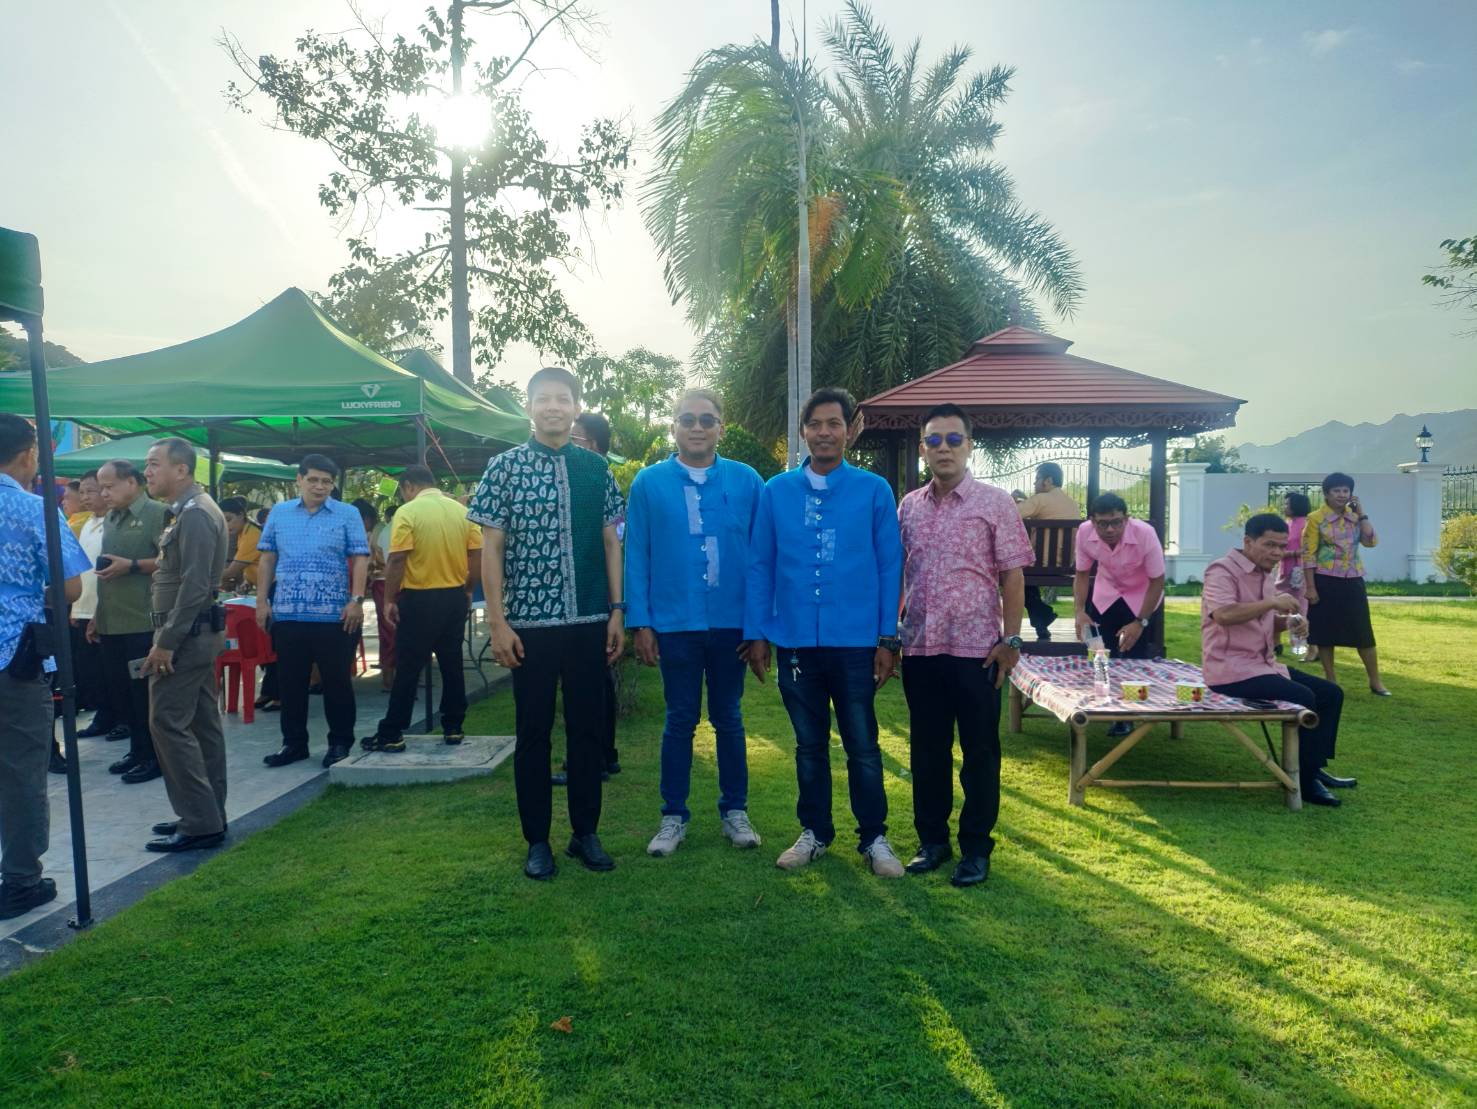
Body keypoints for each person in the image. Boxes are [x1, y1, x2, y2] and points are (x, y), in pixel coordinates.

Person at [468, 366, 625, 880]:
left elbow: (611, 543)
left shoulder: (596, 470)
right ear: (529, 407)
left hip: (588, 620)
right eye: (543, 399)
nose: (553, 407)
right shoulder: (503, 468)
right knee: (533, 733)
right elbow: (492, 549)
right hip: (528, 626)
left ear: (576, 407)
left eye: (562, 399)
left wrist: (617, 611)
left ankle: (586, 833)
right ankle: (537, 840)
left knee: (587, 731)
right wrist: (497, 622)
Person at [743, 387, 906, 878]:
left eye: (834, 423)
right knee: (809, 745)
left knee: (863, 745)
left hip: (856, 642)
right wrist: (757, 632)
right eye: (815, 424)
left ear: (851, 430)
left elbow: (889, 566)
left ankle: (874, 838)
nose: (824, 432)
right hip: (795, 640)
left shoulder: (874, 491)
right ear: (803, 431)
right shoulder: (776, 492)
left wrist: (887, 638)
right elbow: (760, 564)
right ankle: (814, 832)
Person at [898, 405, 1034, 887]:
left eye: (954, 439)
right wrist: (890, 632)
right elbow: (900, 572)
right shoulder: (909, 506)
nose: (945, 449)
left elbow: (1013, 576)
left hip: (978, 651)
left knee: (979, 753)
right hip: (921, 649)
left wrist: (1011, 639)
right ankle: (932, 842)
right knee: (927, 751)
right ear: (923, 449)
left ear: (969, 445)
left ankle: (976, 848)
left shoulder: (995, 503)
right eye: (934, 440)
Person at [626, 388, 765, 858]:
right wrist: (641, 622)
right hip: (674, 622)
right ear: (674, 427)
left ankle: (735, 811)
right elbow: (636, 553)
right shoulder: (649, 483)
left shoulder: (747, 481)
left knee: (729, 717)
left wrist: (758, 627)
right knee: (680, 719)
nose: (698, 427)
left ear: (721, 426)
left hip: (731, 624)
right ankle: (673, 817)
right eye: (688, 419)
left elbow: (762, 556)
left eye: (707, 419)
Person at [0, 414, 88, 919]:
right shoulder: (35, 509)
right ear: (28, 454)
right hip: (15, 659)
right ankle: (21, 880)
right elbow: (70, 587)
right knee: (20, 772)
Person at [1201, 513, 1352, 808]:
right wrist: (1273, 602)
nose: (1277, 553)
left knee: (1331, 693)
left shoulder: (1264, 574)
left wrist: (1288, 623)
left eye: (1282, 546)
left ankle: (1313, 767)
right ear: (1248, 541)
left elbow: (1262, 621)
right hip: (1230, 670)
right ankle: (1304, 780)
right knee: (1304, 696)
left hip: (1263, 666)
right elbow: (1224, 615)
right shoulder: (1221, 571)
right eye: (1270, 545)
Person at [141, 438, 231, 852]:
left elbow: (195, 586)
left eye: (154, 464)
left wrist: (166, 642)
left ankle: (199, 821)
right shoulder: (189, 510)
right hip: (194, 634)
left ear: (181, 470)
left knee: (167, 723)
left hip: (186, 636)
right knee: (201, 725)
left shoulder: (195, 514)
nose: (147, 472)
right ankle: (207, 813)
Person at [255, 454, 370, 769]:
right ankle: (293, 744)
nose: (320, 487)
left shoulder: (347, 514)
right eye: (313, 480)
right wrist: (262, 601)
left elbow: (361, 557)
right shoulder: (279, 513)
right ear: (299, 480)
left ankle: (340, 743)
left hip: (335, 616)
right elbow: (267, 558)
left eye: (326, 482)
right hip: (288, 614)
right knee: (290, 684)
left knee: (336, 683)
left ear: (333, 485)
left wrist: (356, 600)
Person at [363, 466, 482, 751]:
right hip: (454, 596)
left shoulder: (408, 512)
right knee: (452, 663)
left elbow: (397, 560)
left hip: (419, 598)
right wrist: (468, 589)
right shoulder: (462, 512)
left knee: (408, 665)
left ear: (408, 486)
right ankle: (453, 726)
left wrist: (390, 599)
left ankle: (393, 731)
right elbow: (477, 554)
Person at [90, 458, 168, 783]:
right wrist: (98, 614)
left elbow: (171, 562)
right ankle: (137, 751)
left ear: (132, 482)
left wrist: (133, 565)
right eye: (101, 487)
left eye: (109, 486)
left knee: (143, 695)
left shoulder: (158, 513)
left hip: (142, 620)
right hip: (112, 620)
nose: (104, 494)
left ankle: (154, 757)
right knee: (122, 693)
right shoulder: (111, 517)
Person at [564, 409, 622, 781]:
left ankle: (596, 757)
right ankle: (604, 754)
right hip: (590, 597)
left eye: (576, 439)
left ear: (594, 445)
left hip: (596, 596)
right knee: (598, 679)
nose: (569, 445)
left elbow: (615, 541)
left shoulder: (601, 480)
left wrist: (616, 605)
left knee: (593, 681)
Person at [1304, 472, 1388, 696]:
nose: (1341, 495)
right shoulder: (1315, 519)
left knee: (1363, 632)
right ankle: (1331, 679)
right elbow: (1308, 555)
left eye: (1345, 491)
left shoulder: (1355, 518)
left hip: (1353, 580)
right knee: (1325, 633)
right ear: (1327, 494)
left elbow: (1371, 541)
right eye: (1336, 491)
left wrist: (1362, 513)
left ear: (1351, 494)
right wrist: (1310, 587)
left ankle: (1375, 681)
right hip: (1324, 580)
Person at [70, 470, 118, 738]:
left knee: (110, 670)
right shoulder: (88, 523)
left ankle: (120, 718)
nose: (86, 497)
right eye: (82, 492)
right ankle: (103, 716)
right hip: (83, 606)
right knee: (90, 671)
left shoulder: (114, 523)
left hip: (104, 609)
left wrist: (99, 611)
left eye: (91, 491)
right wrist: (76, 607)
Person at [1016, 461, 1080, 640]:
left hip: (1038, 564)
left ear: (1048, 481)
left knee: (1014, 574)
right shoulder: (1072, 504)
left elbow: (1010, 513)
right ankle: (1041, 622)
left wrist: (1013, 500)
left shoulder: (1040, 500)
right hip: (1065, 565)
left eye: (1037, 479)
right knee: (1024, 578)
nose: (1034, 483)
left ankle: (1042, 616)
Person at [1273, 491, 1315, 660]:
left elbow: (1307, 550)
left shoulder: (1306, 524)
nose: (1284, 507)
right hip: (1284, 571)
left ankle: (1300, 647)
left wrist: (1292, 553)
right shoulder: (1287, 524)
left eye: (1287, 504)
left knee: (1298, 608)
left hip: (1298, 573)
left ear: (1295, 506)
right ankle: (1275, 642)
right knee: (1275, 606)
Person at [369, 503, 397, 692]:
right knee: (396, 630)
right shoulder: (392, 529)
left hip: (382, 582)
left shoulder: (383, 529)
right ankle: (392, 676)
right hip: (395, 583)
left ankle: (389, 675)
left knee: (387, 630)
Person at [219, 497, 262, 592]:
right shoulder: (243, 533)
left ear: (241, 515)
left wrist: (205, 576)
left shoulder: (252, 535)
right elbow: (254, 562)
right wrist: (248, 581)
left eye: (228, 520)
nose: (226, 525)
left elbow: (231, 572)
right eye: (222, 522)